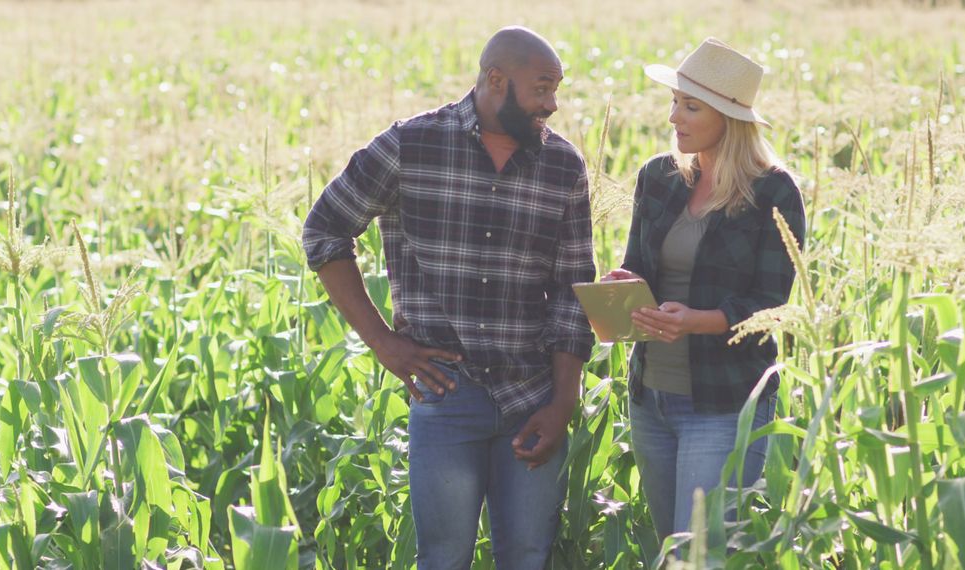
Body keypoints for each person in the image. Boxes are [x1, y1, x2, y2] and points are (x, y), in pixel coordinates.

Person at [302, 26, 595, 570]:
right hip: (446, 393)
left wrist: (563, 401)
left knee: (529, 555)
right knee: (443, 557)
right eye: (542, 89)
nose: (552, 105)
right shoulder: (409, 145)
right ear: (495, 80)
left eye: (556, 90)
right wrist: (385, 343)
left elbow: (574, 294)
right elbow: (324, 233)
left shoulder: (564, 168)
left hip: (532, 394)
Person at [602, 37, 806, 541]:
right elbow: (639, 267)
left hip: (724, 402)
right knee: (672, 546)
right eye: (675, 102)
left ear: (728, 117)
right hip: (651, 396)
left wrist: (695, 321)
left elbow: (774, 307)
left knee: (702, 552)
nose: (674, 116)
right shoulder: (658, 177)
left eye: (690, 106)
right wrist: (626, 286)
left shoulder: (773, 192)